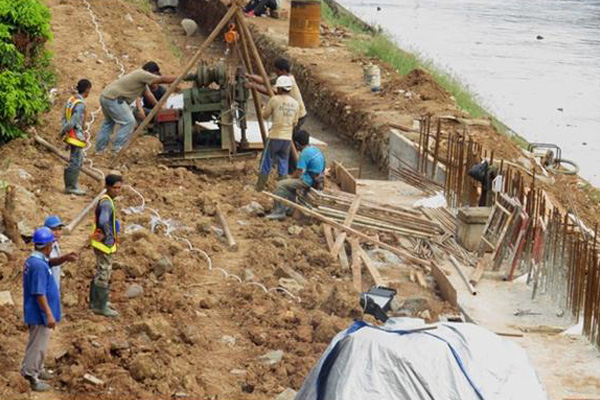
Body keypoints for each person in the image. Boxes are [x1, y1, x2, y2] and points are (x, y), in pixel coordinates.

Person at [95, 61, 177, 154]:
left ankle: (100, 150)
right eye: (154, 75)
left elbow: (149, 95)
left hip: (106, 96)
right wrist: (182, 77)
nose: (153, 79)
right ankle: (117, 148)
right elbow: (161, 79)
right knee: (129, 121)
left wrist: (160, 109)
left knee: (108, 123)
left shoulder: (141, 80)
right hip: (114, 99)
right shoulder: (142, 74)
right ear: (148, 71)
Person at [21, 227, 61, 392]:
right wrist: (49, 314)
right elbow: (39, 292)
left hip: (37, 312)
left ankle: (36, 368)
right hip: (39, 314)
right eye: (51, 243)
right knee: (38, 345)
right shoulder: (38, 266)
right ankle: (31, 375)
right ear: (47, 246)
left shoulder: (35, 260)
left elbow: (48, 263)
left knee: (37, 343)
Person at [267, 130, 326, 220]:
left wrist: (290, 178)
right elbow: (324, 165)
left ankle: (279, 212)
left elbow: (298, 172)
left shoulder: (304, 154)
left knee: (280, 185)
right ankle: (290, 209)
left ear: (297, 144)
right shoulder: (315, 150)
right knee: (289, 185)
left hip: (307, 181)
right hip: (316, 179)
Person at [256, 75, 300, 191]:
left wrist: (262, 108)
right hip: (286, 139)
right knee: (283, 163)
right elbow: (295, 122)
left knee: (266, 162)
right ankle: (282, 188)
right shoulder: (295, 104)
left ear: (279, 88)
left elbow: (265, 116)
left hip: (274, 137)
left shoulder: (274, 100)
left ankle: (259, 188)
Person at [89, 174, 122, 317]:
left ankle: (95, 301)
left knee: (100, 271)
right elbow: (103, 221)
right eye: (115, 188)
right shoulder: (107, 203)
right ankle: (100, 306)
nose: (117, 191)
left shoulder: (106, 200)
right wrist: (109, 236)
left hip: (99, 242)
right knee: (104, 273)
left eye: (120, 188)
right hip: (104, 245)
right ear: (107, 187)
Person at [246, 57, 307, 131]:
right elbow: (266, 81)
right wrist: (250, 76)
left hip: (298, 115)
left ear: (283, 71)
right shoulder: (284, 77)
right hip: (292, 112)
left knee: (287, 134)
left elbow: (270, 92)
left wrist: (253, 86)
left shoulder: (287, 81)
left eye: (277, 71)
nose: (276, 73)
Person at [61, 79, 92, 195]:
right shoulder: (80, 104)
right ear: (87, 89)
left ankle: (71, 185)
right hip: (75, 135)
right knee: (76, 160)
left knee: (74, 159)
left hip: (70, 134)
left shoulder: (71, 100)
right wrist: (63, 132)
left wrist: (64, 131)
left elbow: (64, 117)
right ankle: (71, 186)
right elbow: (74, 121)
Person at [44, 216, 77, 292]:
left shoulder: (55, 244)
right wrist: (65, 258)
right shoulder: (44, 246)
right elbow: (50, 262)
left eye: (59, 229)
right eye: (53, 229)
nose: (57, 232)